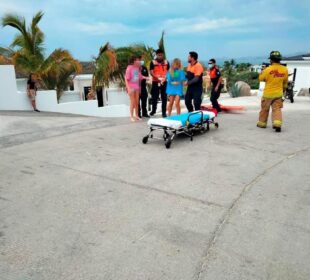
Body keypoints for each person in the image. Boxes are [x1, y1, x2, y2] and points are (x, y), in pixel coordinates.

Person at [257, 51, 288, 132]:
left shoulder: (267, 69)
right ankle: (277, 124)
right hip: (278, 94)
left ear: (271, 60)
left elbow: (261, 79)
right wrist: (283, 92)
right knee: (277, 109)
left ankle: (262, 123)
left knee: (264, 109)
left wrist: (262, 70)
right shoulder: (285, 69)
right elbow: (285, 83)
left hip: (267, 94)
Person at [149, 49, 170, 117]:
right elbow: (151, 72)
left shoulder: (167, 62)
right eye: (158, 55)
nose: (160, 56)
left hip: (164, 82)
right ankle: (153, 110)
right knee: (154, 97)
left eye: (161, 55)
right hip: (156, 82)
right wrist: (157, 78)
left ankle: (164, 112)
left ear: (163, 55)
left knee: (164, 97)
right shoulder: (153, 62)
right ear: (156, 55)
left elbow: (168, 72)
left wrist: (165, 78)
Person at [125, 56, 145, 122]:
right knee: (132, 102)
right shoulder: (129, 68)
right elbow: (126, 79)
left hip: (137, 87)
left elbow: (140, 77)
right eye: (137, 60)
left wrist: (148, 78)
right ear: (133, 61)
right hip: (131, 87)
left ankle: (136, 115)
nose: (139, 61)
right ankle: (131, 116)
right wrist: (128, 88)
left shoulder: (137, 68)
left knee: (137, 102)